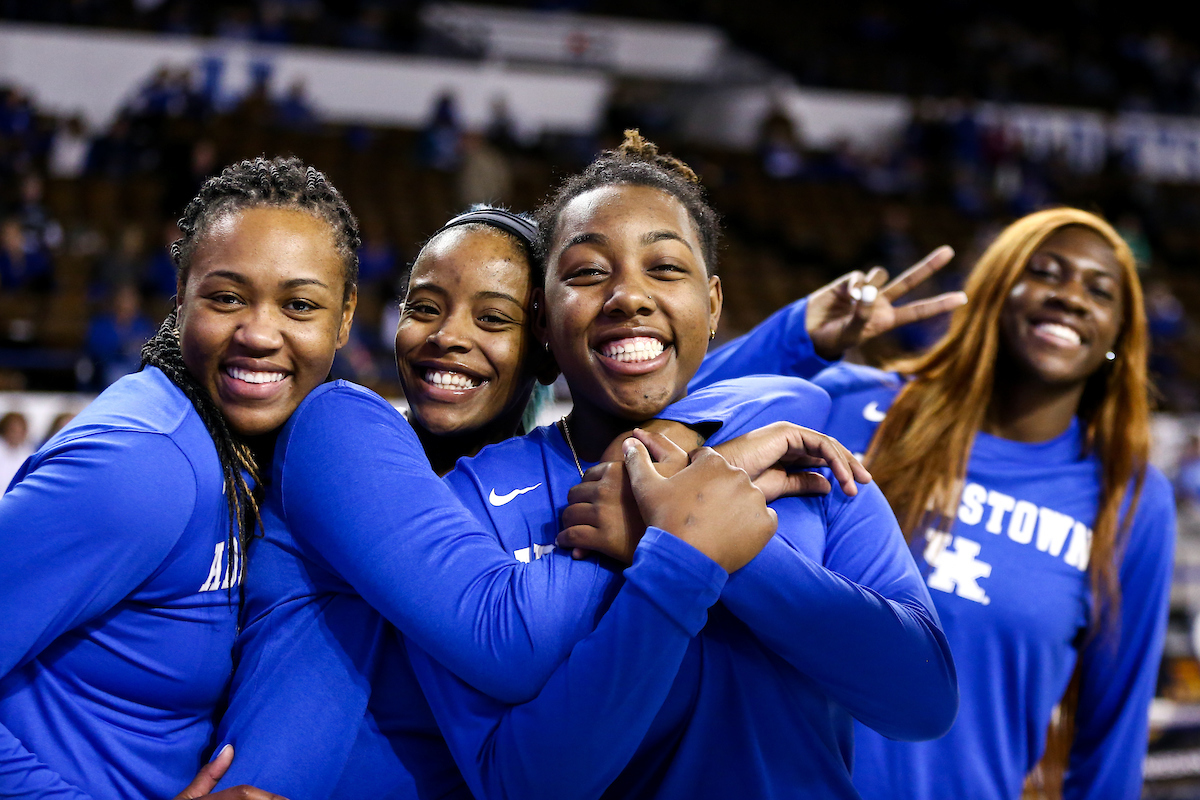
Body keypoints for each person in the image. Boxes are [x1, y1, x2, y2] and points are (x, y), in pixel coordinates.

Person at [397, 130, 956, 799]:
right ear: (543, 320)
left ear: (713, 305)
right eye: (586, 272)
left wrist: (735, 552)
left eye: (664, 269)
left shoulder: (809, 464)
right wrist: (684, 560)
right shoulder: (467, 500)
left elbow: (922, 702)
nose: (628, 296)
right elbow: (517, 783)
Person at [0, 154, 363, 798]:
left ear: (345, 318)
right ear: (181, 297)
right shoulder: (140, 465)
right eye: (226, 297)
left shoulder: (248, 446)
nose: (259, 332)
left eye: (299, 305)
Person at [807, 208, 1174, 799]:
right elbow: (679, 417)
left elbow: (1113, 741)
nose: (1072, 297)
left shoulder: (1130, 499)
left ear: (1116, 339)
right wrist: (795, 341)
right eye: (1047, 272)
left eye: (1099, 291)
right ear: (996, 291)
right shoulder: (858, 409)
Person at [394, 206, 555, 474]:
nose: (446, 336)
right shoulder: (337, 459)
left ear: (549, 358)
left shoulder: (574, 501)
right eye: (425, 308)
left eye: (492, 318)